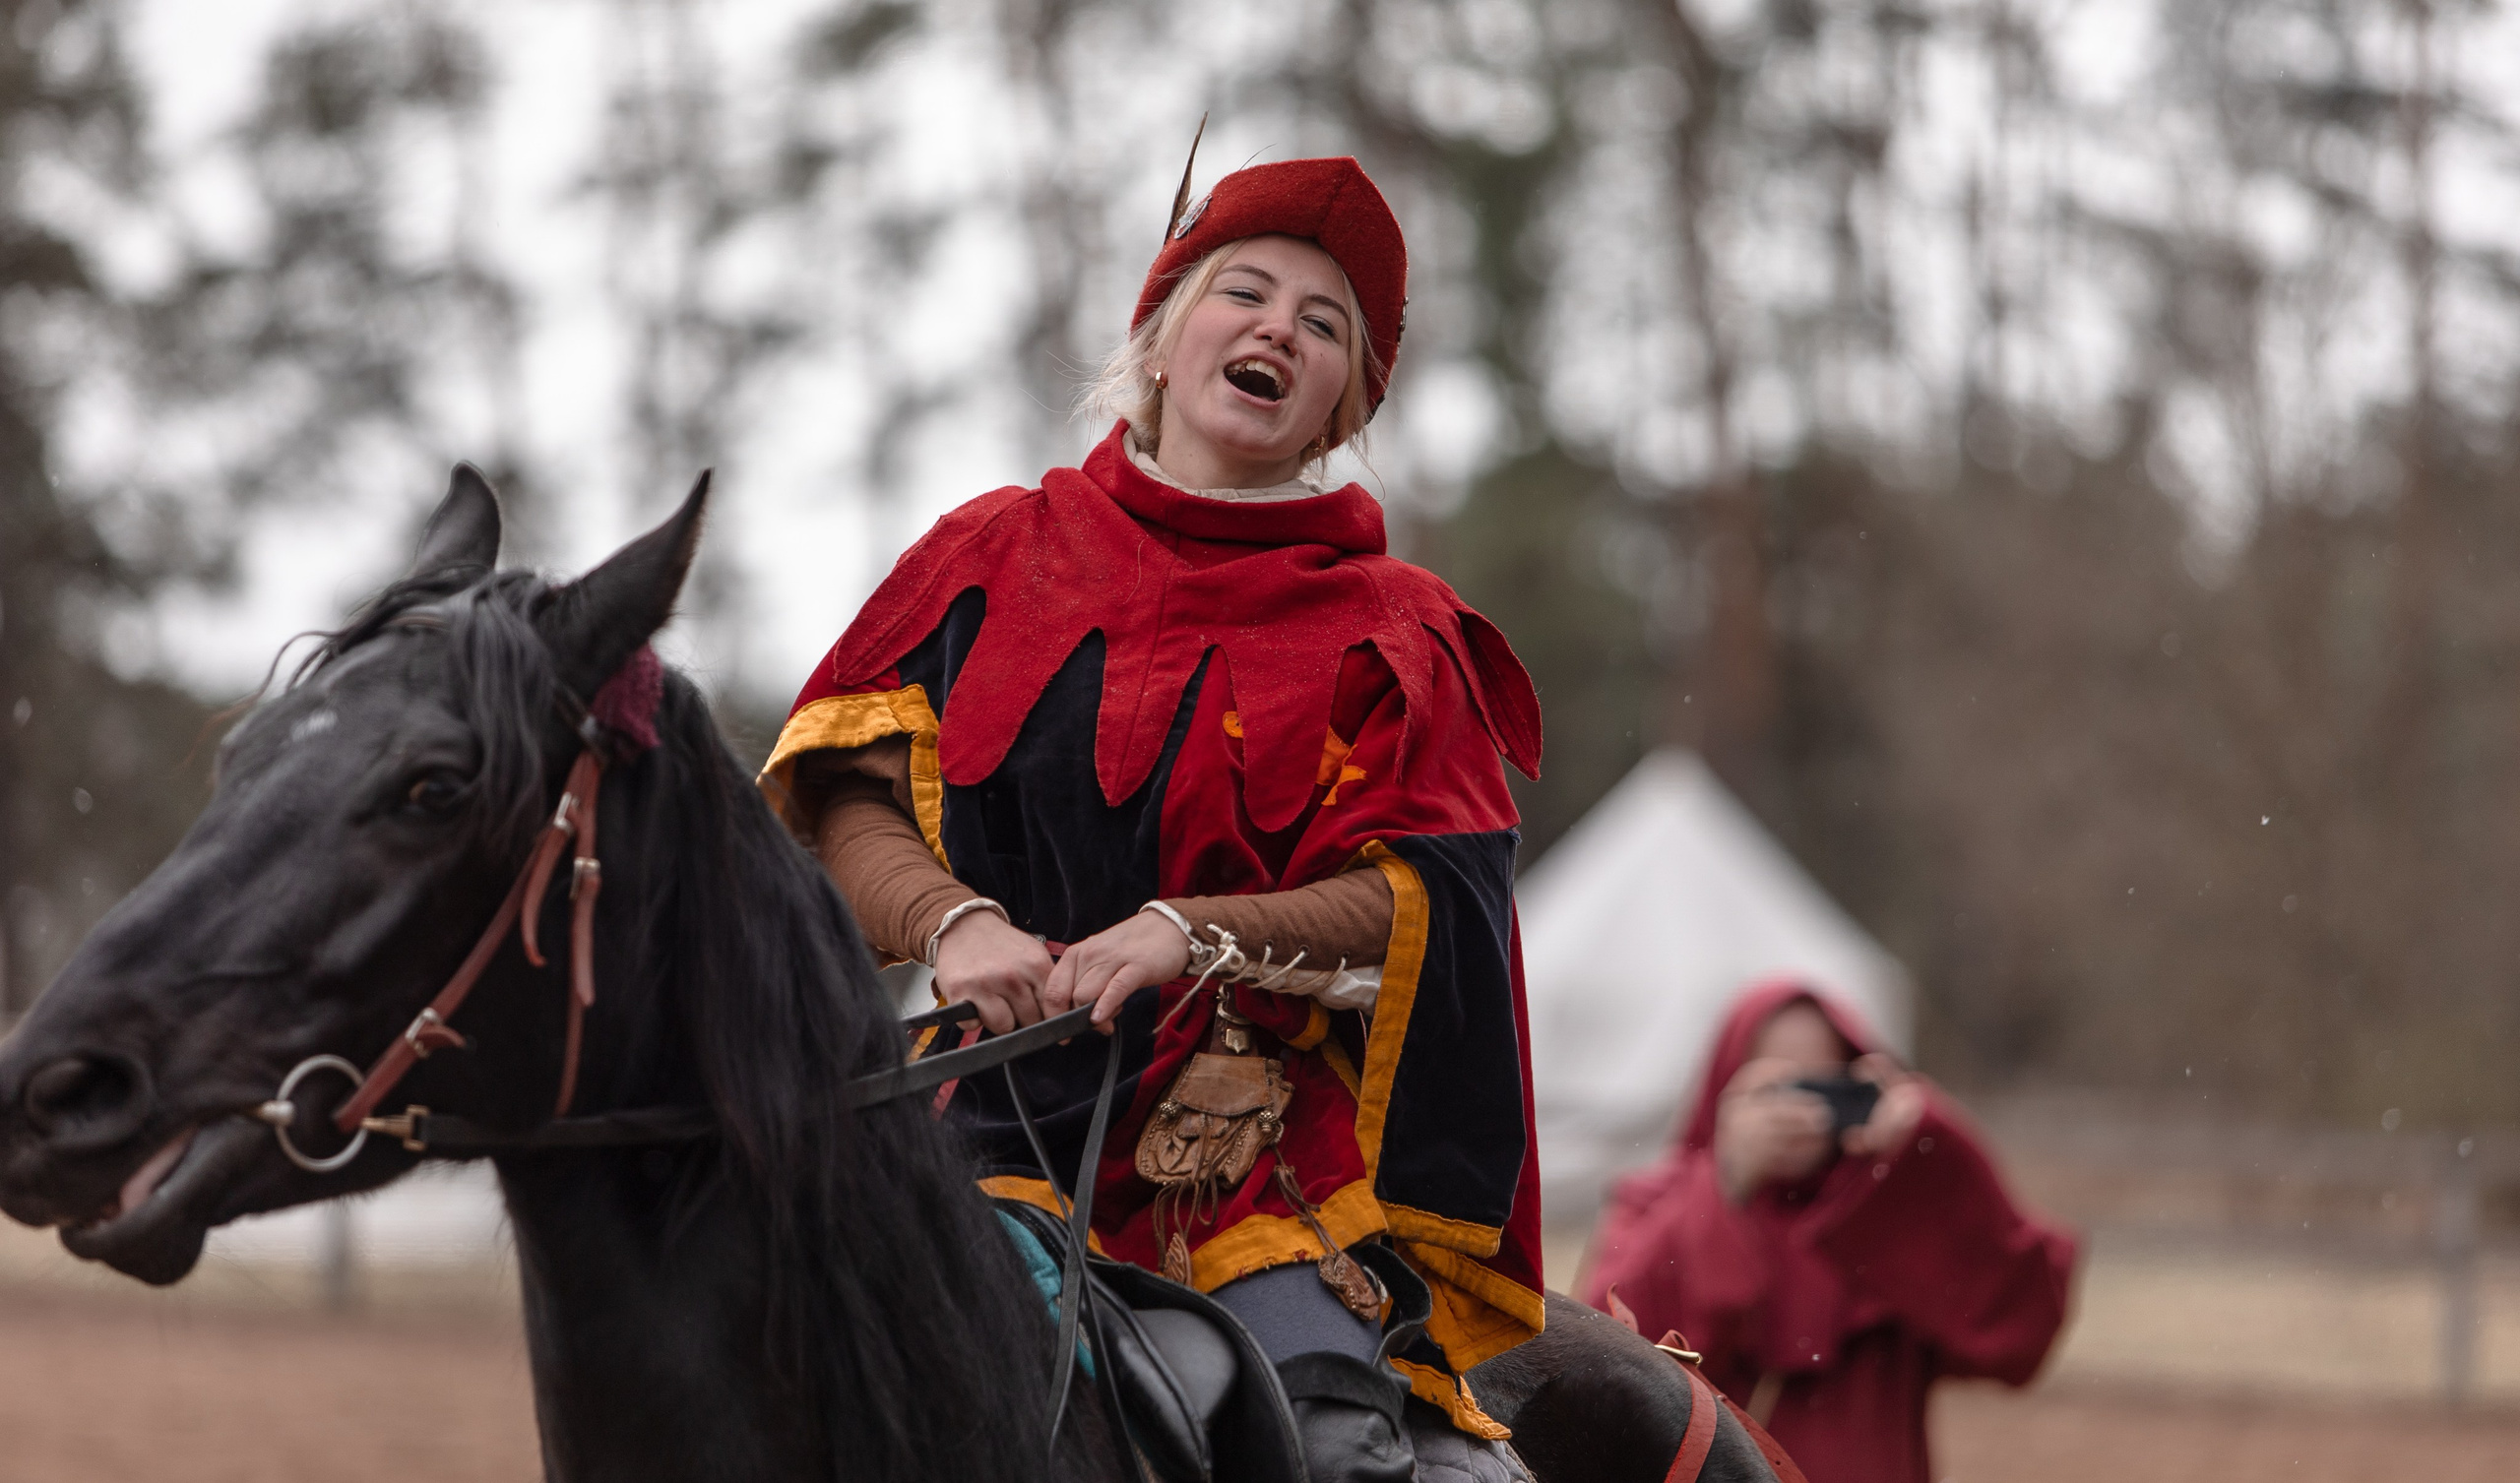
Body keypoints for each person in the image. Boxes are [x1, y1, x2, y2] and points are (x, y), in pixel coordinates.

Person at [760, 153, 1548, 1483]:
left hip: (1251, 1165)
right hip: (975, 1130)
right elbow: (843, 796)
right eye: (1246, 292)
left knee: (1338, 1458)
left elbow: (1426, 901)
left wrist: (1193, 931)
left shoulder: (1399, 630)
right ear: (1162, 336)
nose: (1278, 329)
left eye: (1323, 324)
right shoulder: (986, 553)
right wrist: (952, 923)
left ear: (1342, 403)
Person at [1576, 980, 2076, 1483]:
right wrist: (1726, 1182)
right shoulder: (1660, 1200)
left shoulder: (1888, 1213)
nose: (1803, 1114)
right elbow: (1608, 1369)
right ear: (1724, 1090)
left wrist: (1926, 1146)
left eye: (1826, 1088)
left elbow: (2018, 1336)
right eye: (1777, 1091)